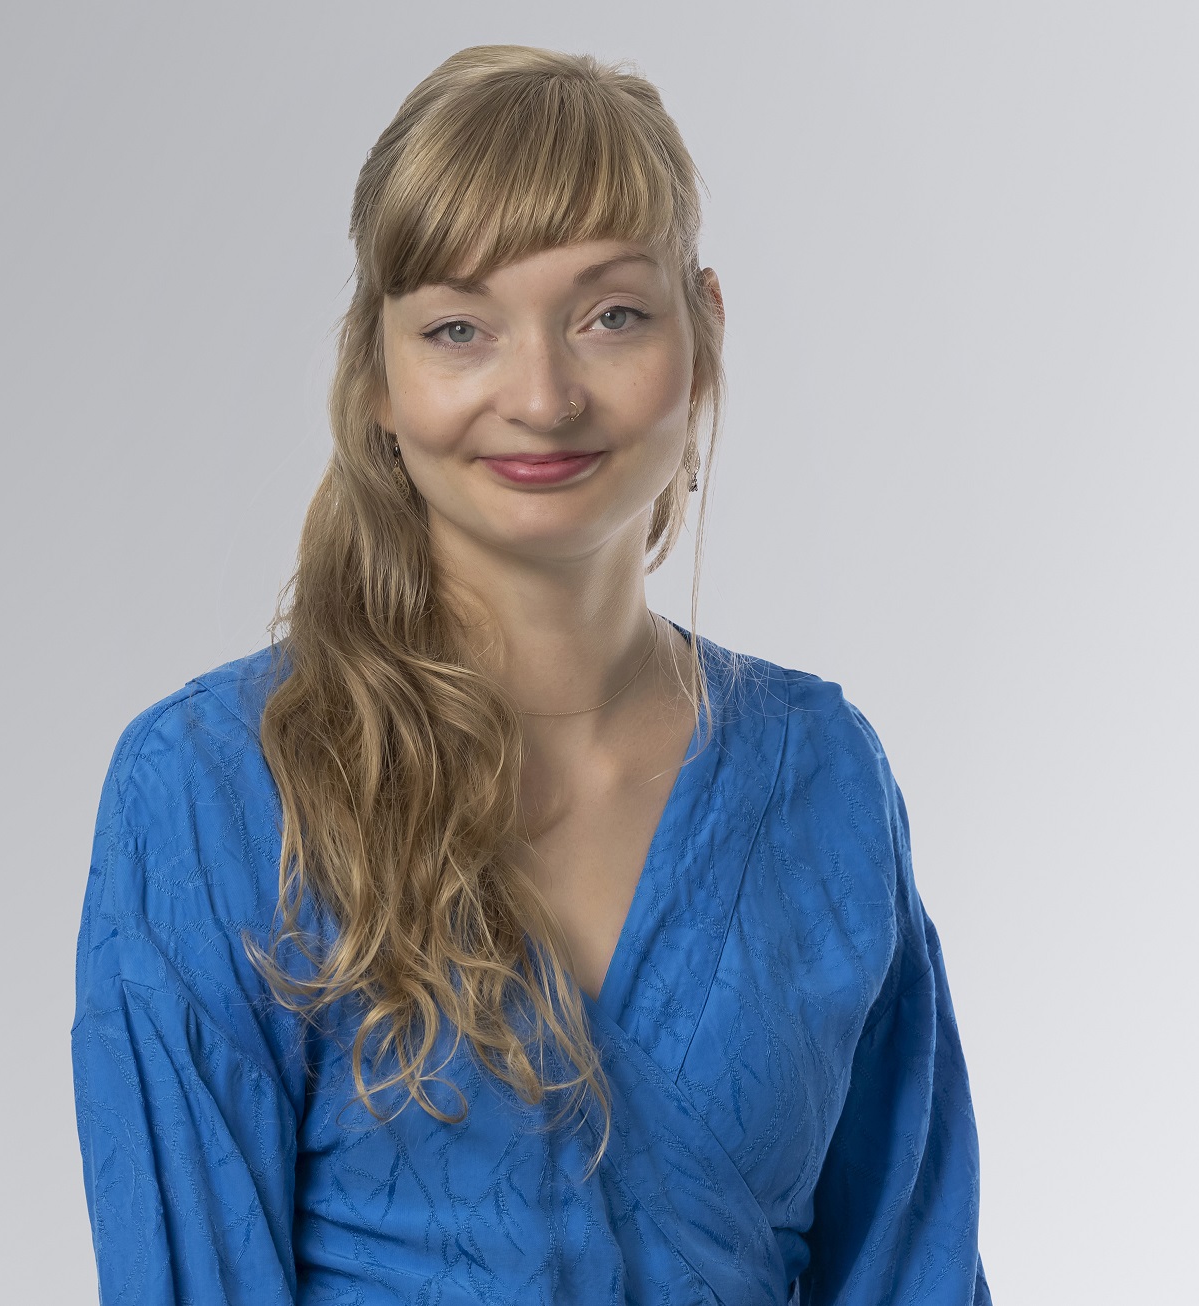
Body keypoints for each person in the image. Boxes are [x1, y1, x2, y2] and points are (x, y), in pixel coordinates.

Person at [70, 44, 990, 1306]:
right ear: (378, 375)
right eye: (460, 328)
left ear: (705, 330)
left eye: (611, 315)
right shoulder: (216, 787)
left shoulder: (825, 776)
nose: (544, 395)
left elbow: (913, 1266)